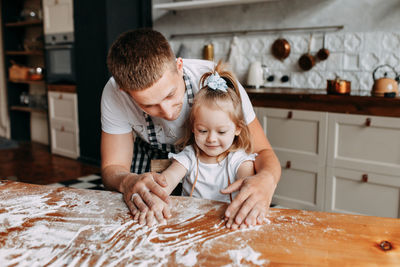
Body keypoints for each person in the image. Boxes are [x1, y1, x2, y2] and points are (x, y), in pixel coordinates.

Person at [101, 28, 281, 229]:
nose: (168, 113)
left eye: (170, 95)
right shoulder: (114, 94)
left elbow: (262, 151)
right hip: (150, 163)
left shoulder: (218, 82)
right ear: (124, 91)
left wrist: (267, 179)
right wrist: (127, 182)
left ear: (179, 66)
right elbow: (112, 168)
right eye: (148, 105)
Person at [133, 62, 259, 227]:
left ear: (237, 129)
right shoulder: (190, 155)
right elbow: (167, 180)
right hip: (190, 222)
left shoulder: (240, 160)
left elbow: (247, 186)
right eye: (203, 131)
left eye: (221, 132)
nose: (211, 139)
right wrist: (155, 199)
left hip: (227, 222)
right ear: (193, 128)